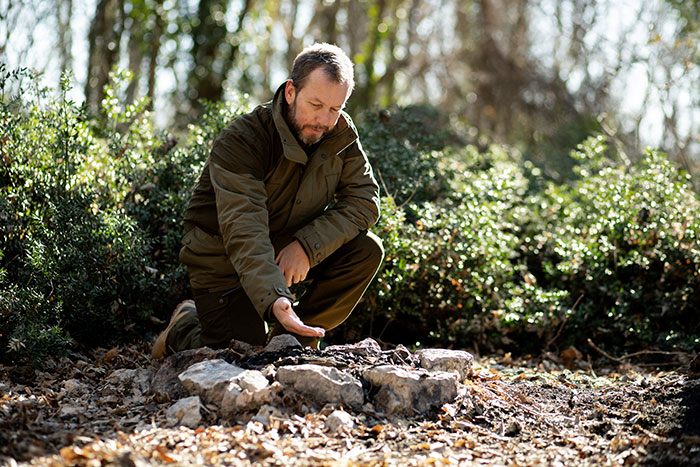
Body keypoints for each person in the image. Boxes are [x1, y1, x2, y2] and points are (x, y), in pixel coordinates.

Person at [151, 43, 384, 358]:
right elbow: (243, 229)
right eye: (315, 104)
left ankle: (293, 340)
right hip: (225, 258)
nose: (324, 119)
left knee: (366, 250)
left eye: (335, 108)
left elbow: (365, 201)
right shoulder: (243, 140)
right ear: (290, 92)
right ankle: (184, 326)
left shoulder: (340, 133)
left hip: (285, 245)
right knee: (239, 353)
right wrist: (275, 297)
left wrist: (305, 245)